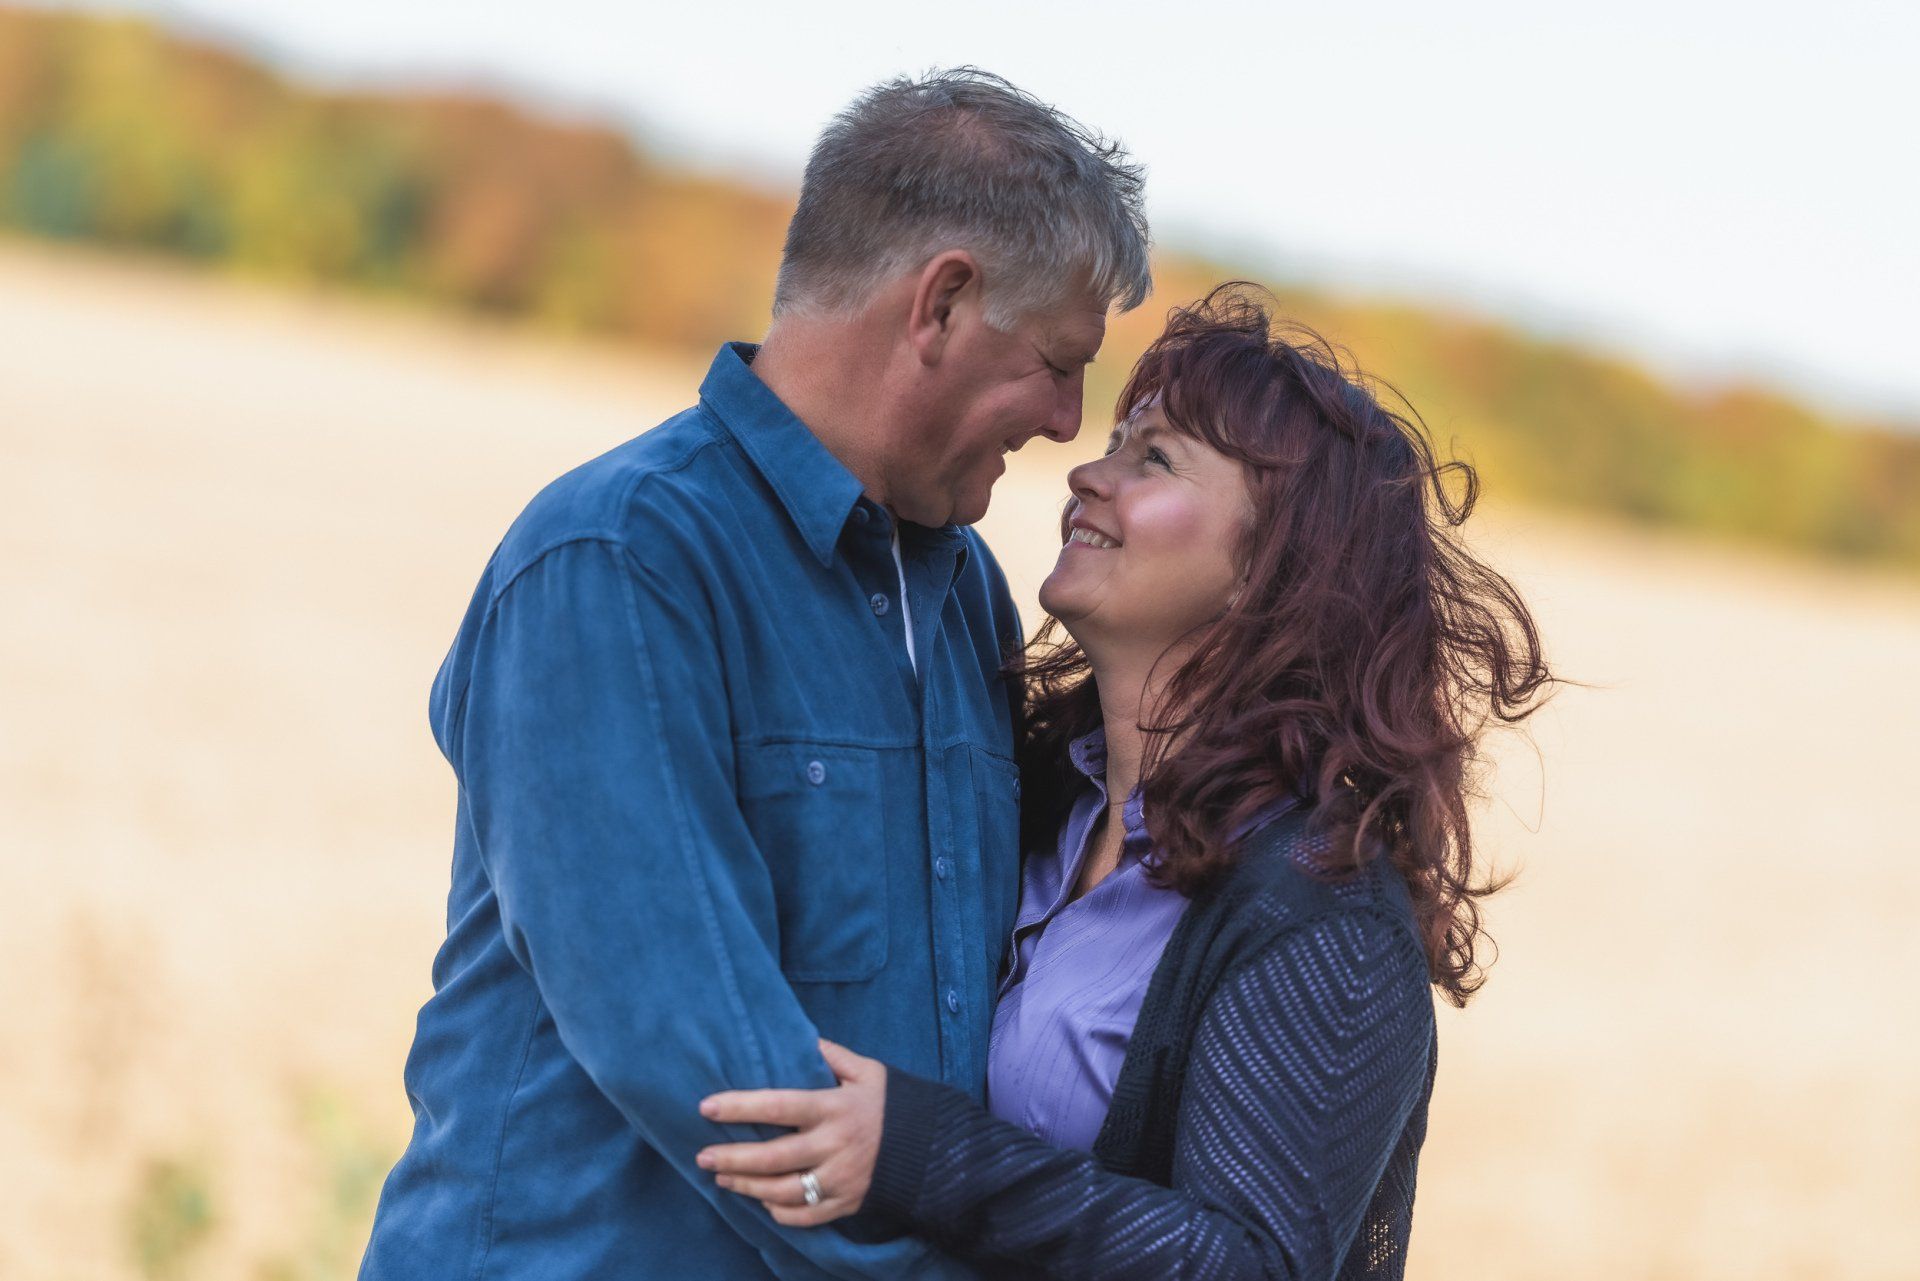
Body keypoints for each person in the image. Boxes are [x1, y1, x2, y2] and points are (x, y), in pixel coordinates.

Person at [357, 69, 1151, 1280]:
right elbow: (715, 1077)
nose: (1064, 420)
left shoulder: (965, 601)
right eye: (1056, 361)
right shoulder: (618, 561)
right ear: (940, 304)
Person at [695, 286, 1555, 1279]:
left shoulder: (1322, 916)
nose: (1088, 475)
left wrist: (923, 1155)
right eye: (1114, 441)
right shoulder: (1032, 799)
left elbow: (1249, 1266)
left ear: (1276, 564)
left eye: (1154, 457)